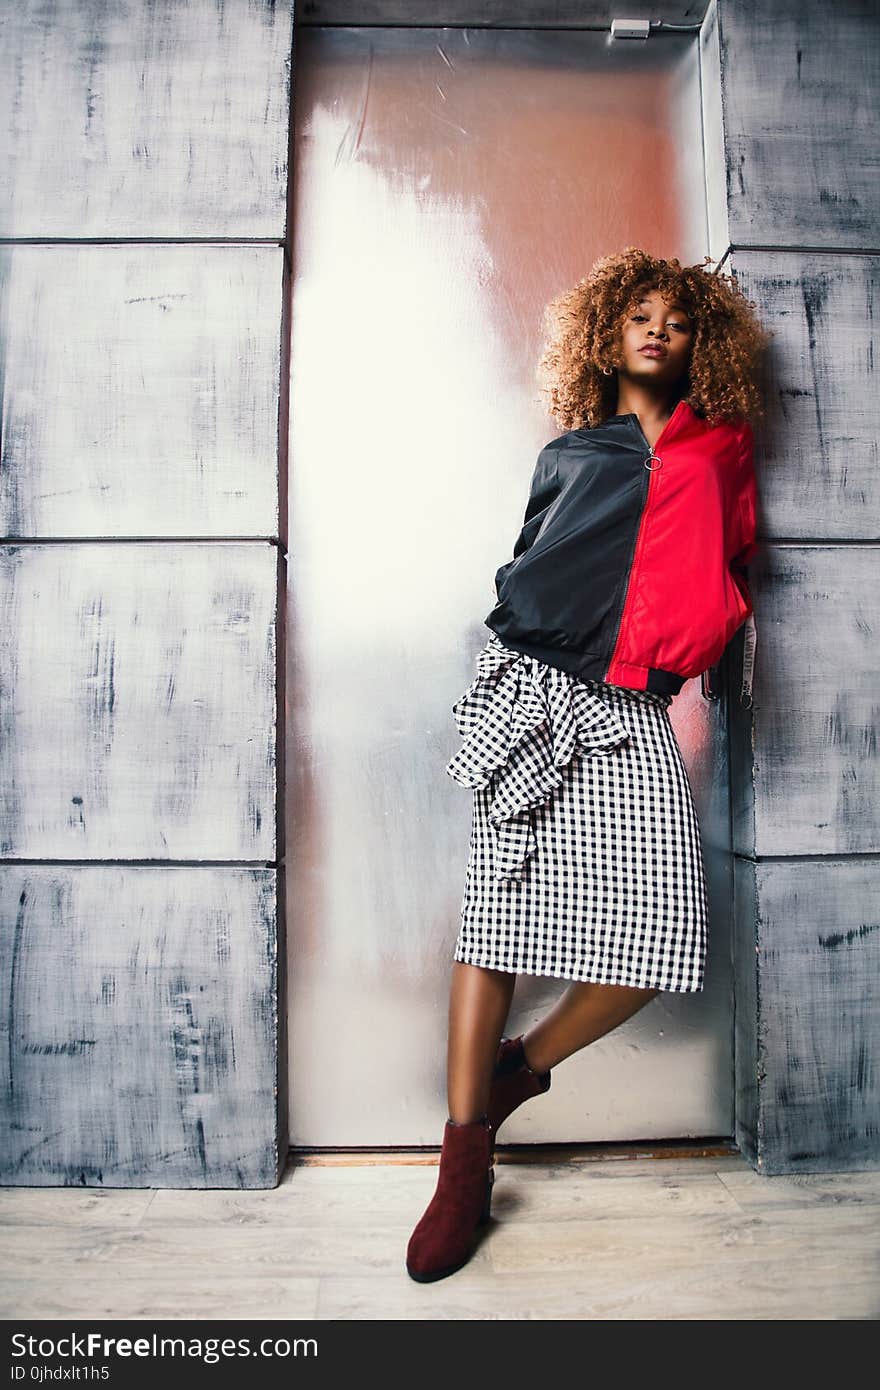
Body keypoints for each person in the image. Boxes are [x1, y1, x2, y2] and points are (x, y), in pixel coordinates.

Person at [406, 247, 771, 1283]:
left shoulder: (723, 448)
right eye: (638, 315)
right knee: (496, 922)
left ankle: (519, 1070)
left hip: (632, 708)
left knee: (662, 937)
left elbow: (732, 561)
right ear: (608, 335)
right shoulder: (574, 449)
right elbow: (530, 554)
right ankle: (463, 1163)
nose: (657, 329)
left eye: (677, 318)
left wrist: (703, 628)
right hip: (532, 688)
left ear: (702, 341)